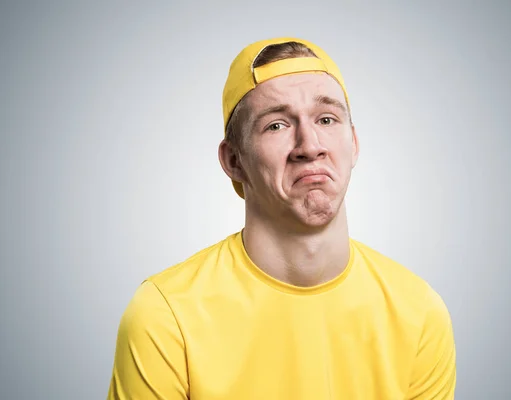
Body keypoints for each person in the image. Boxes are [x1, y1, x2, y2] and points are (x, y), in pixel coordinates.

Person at [107, 37, 456, 400]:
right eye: (276, 125)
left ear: (353, 143)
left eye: (326, 119)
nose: (309, 145)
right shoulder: (166, 315)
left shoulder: (419, 314)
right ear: (234, 161)